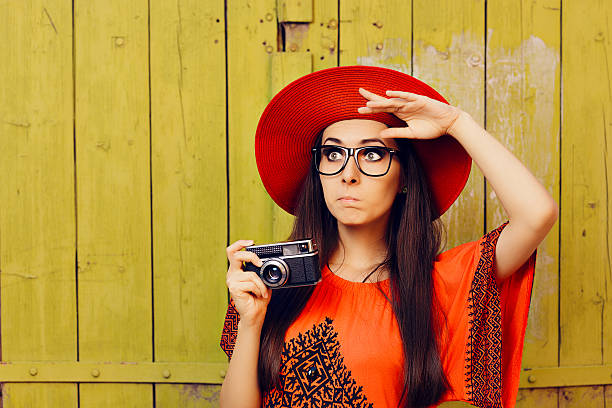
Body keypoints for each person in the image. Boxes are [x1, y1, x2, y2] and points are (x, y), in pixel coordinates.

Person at [218, 65, 558, 408]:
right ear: (317, 173)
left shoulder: (441, 285)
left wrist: (457, 123)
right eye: (332, 153)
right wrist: (251, 321)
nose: (348, 174)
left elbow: (536, 214)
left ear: (404, 178)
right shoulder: (276, 279)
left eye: (372, 153)